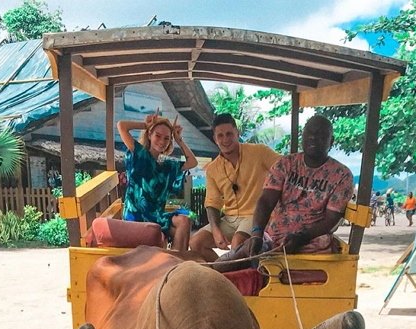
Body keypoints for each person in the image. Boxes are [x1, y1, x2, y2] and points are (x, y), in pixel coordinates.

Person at [215, 115, 353, 268]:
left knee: (246, 268)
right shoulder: (286, 164)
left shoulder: (341, 175)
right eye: (310, 133)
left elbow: (331, 219)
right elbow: (266, 201)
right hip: (272, 237)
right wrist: (256, 233)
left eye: (321, 134)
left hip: (310, 242)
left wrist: (302, 237)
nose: (313, 138)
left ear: (331, 141)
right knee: (225, 263)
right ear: (303, 136)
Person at [189, 113, 280, 261]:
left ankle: (233, 276)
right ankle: (222, 275)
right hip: (230, 219)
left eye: (229, 134)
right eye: (220, 135)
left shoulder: (259, 152)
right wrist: (215, 230)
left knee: (238, 242)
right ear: (215, 139)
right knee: (195, 242)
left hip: (257, 215)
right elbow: (212, 203)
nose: (225, 139)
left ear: (237, 133)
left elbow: (285, 168)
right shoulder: (212, 169)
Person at [117, 113, 198, 251]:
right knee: (184, 220)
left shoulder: (167, 166)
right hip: (137, 213)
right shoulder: (139, 153)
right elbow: (121, 126)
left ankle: (176, 263)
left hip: (159, 213)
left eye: (167, 138)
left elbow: (193, 162)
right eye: (158, 135)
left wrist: (179, 140)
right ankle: (176, 261)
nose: (162, 141)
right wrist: (146, 125)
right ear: (149, 135)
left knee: (186, 219)